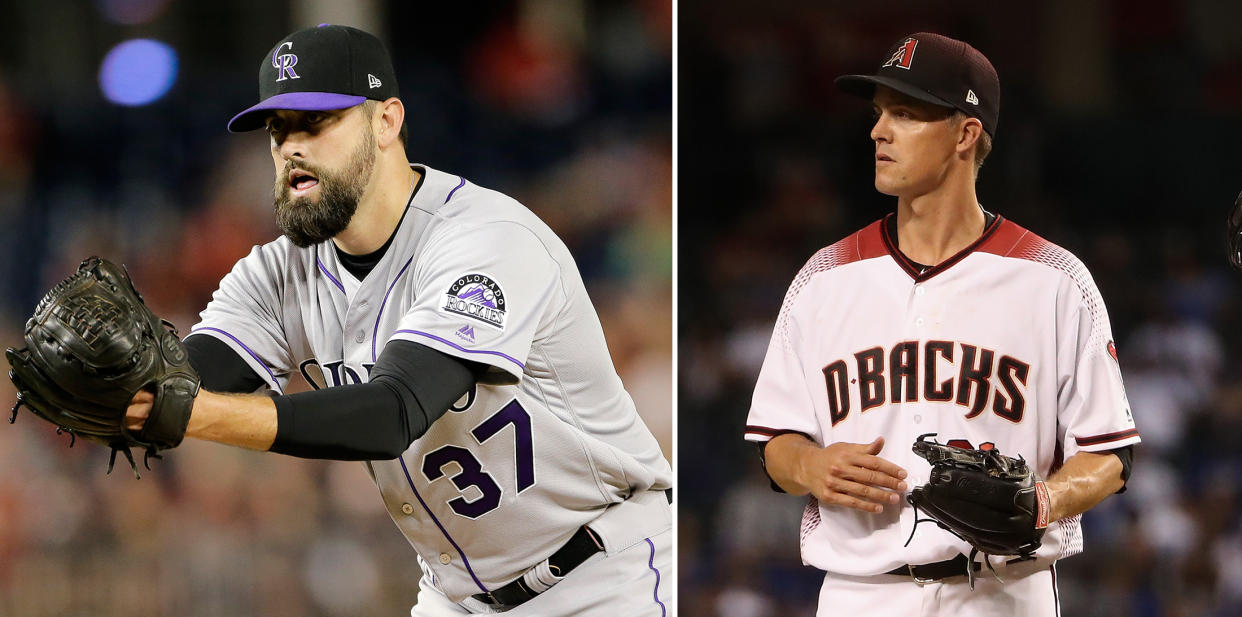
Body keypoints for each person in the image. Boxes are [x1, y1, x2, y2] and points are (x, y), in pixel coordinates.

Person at [125, 24, 671, 616]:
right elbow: (179, 383)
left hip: (600, 576)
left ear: (386, 121)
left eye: (316, 122)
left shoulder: (486, 238)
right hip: (457, 598)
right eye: (278, 131)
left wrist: (192, 412)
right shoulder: (277, 275)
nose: (291, 149)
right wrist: (117, 397)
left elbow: (392, 413)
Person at [742, 32, 1139, 615]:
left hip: (1003, 592)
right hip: (861, 594)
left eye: (905, 114)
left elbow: (1112, 455)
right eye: (879, 114)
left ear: (965, 132)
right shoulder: (823, 276)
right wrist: (810, 464)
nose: (878, 132)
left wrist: (1045, 501)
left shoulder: (1053, 279)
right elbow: (773, 442)